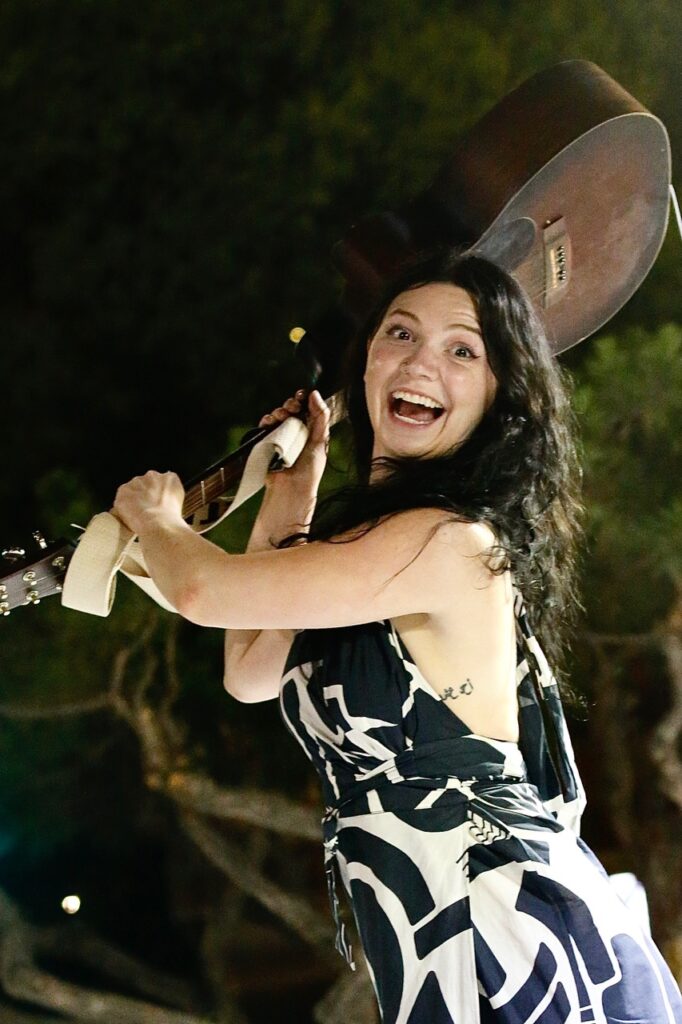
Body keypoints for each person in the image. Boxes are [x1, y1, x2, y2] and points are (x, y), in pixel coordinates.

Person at [114, 252, 682, 1024]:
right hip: (431, 934)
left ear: (498, 398)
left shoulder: (450, 543)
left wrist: (156, 519)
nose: (421, 363)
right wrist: (293, 492)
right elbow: (249, 668)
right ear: (368, 362)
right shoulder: (371, 558)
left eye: (463, 350)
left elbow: (198, 589)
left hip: (507, 928)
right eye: (401, 334)